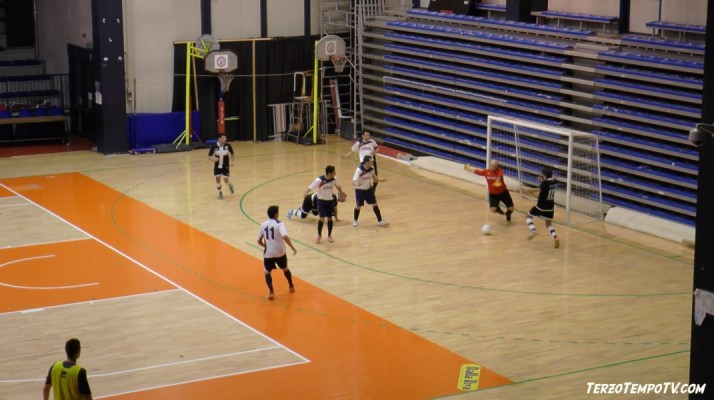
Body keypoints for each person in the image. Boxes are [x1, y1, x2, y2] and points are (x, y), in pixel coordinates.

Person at [257, 205, 297, 300]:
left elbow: (258, 240)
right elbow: (285, 236)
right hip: (280, 252)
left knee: (267, 272)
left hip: (269, 253)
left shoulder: (263, 225)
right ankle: (291, 286)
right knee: (285, 268)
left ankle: (271, 292)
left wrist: (265, 246)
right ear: (276, 214)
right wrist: (292, 247)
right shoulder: (280, 224)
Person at [303, 165, 346, 244]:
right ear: (329, 173)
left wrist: (341, 193)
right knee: (321, 218)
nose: (335, 173)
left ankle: (329, 235)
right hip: (321, 201)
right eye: (334, 172)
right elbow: (311, 187)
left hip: (330, 201)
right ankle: (319, 235)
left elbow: (338, 186)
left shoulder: (334, 179)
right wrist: (305, 193)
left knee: (330, 218)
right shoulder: (319, 180)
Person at [524, 167, 560, 248]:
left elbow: (539, 189)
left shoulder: (544, 184)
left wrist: (528, 190)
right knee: (548, 225)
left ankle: (533, 230)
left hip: (541, 206)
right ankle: (555, 237)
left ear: (544, 175)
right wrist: (543, 180)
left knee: (528, 216)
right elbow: (547, 183)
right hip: (550, 207)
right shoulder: (554, 181)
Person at [351, 155, 388, 227]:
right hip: (360, 190)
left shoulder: (372, 169)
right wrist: (357, 184)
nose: (372, 163)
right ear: (366, 162)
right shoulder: (359, 170)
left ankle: (380, 221)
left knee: (375, 204)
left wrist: (380, 180)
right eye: (371, 162)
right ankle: (355, 220)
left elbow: (374, 178)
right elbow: (353, 181)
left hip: (368, 189)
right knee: (358, 206)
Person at [207, 134, 235, 200]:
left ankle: (230, 185)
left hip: (225, 166)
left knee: (225, 180)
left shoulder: (228, 145)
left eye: (225, 138)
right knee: (217, 179)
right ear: (219, 139)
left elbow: (232, 153)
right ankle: (220, 193)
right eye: (223, 138)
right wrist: (214, 159)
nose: (225, 139)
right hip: (217, 166)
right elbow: (209, 156)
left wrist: (232, 161)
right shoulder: (214, 146)